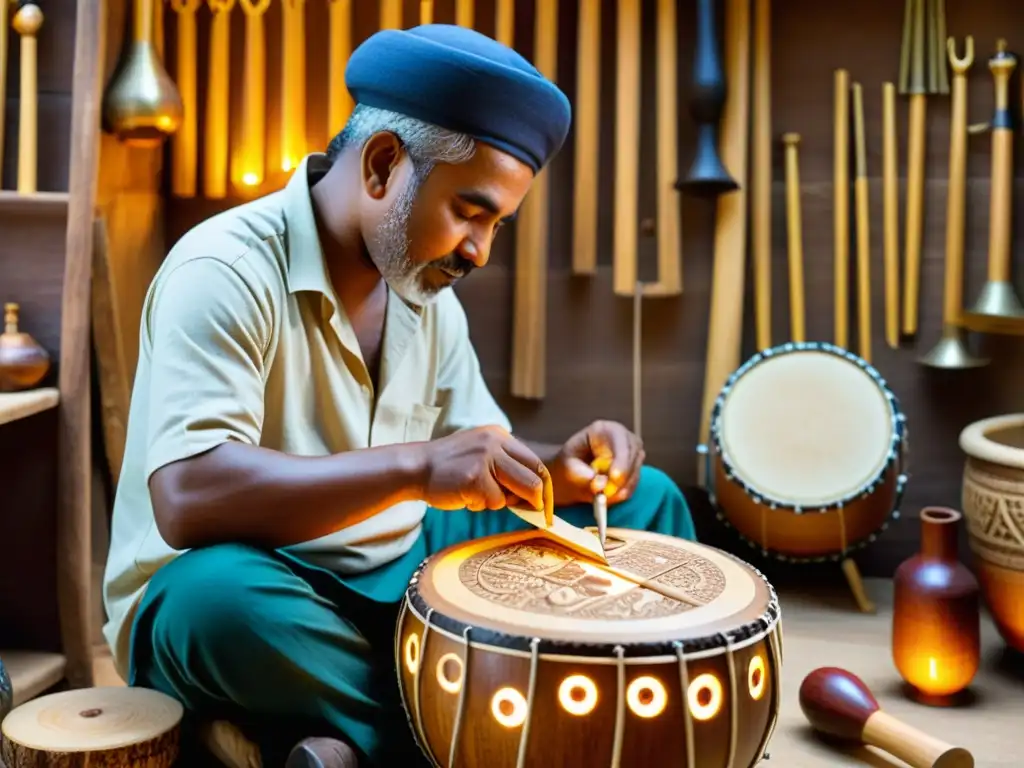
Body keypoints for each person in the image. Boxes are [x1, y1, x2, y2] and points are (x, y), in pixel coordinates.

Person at [102, 23, 697, 768]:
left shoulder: (424, 291)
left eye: (497, 225)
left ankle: (354, 735)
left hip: (404, 565)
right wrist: (417, 470)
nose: (480, 249)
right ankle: (489, 734)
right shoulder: (223, 269)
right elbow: (188, 498)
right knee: (207, 606)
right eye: (470, 212)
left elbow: (472, 457)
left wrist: (561, 467)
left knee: (653, 505)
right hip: (270, 581)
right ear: (383, 165)